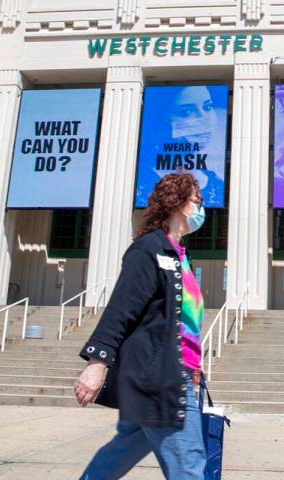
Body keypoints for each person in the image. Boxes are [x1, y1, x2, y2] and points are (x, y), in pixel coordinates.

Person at [75, 172, 207, 479]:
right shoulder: (149, 249)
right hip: (161, 379)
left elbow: (181, 324)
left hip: (175, 372)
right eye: (197, 201)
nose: (202, 209)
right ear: (178, 204)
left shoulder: (178, 256)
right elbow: (122, 308)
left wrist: (195, 365)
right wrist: (96, 363)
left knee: (120, 452)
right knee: (189, 464)